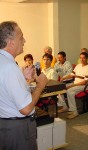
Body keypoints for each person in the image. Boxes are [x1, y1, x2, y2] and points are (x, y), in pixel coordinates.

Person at [0, 21, 48, 150]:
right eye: (21, 37)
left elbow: (6, 89)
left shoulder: (3, 62)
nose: (24, 40)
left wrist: (23, 79)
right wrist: (40, 85)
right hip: (18, 129)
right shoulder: (10, 68)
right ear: (11, 43)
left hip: (5, 125)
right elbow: (26, 108)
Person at [60, 52, 88, 119]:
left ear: (87, 58)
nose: (82, 59)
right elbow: (71, 75)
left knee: (69, 91)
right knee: (60, 89)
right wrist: (63, 78)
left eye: (83, 58)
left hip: (85, 85)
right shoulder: (78, 66)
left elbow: (84, 82)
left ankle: (74, 112)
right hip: (76, 84)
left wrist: (73, 85)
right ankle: (65, 107)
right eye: (80, 58)